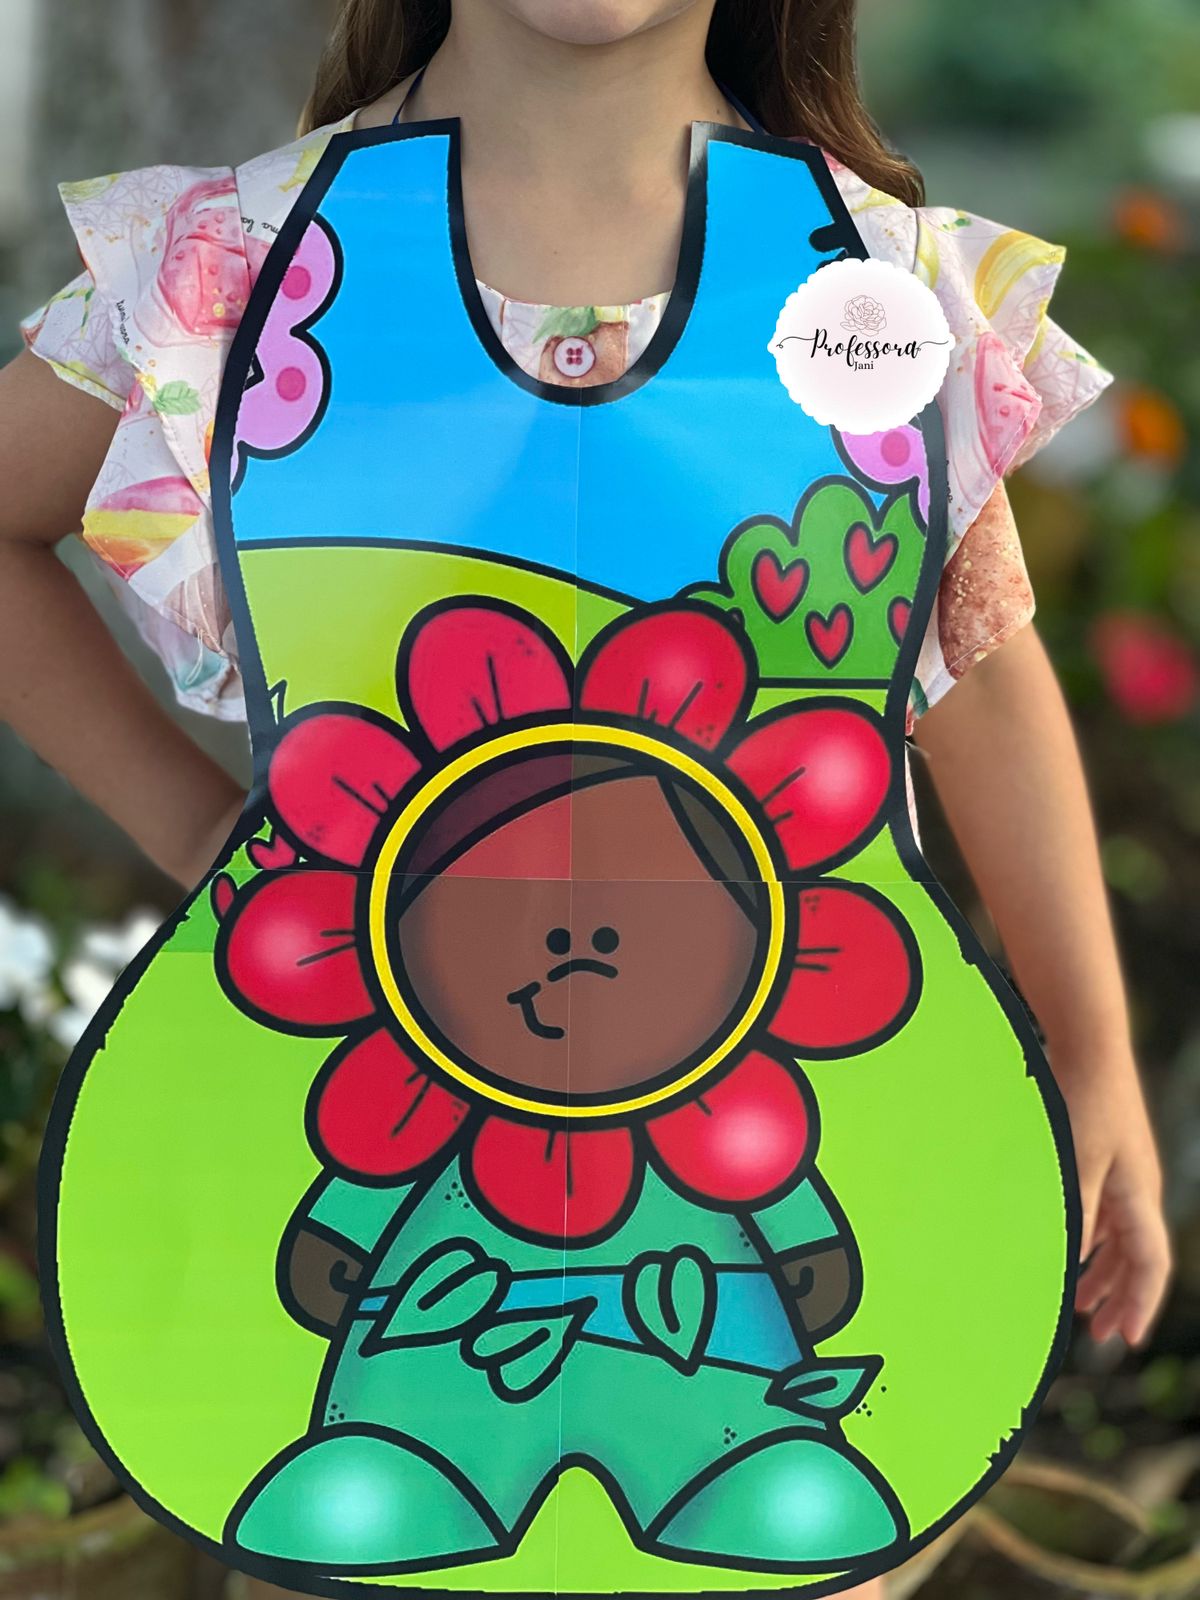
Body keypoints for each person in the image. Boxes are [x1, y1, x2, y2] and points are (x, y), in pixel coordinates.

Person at [0, 3, 1172, 1597]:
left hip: (805, 1160)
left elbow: (978, 653)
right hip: (345, 1145)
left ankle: (730, 1447)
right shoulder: (225, 279)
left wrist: (1094, 1061)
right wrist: (209, 837)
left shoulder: (877, 293)